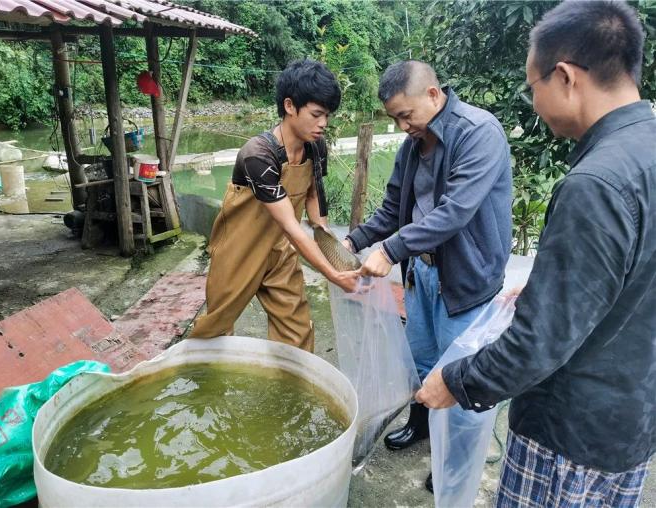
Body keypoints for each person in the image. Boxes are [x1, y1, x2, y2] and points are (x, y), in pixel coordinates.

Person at [416, 1, 655, 505]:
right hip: (630, 420)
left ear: (566, 76)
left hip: (568, 436)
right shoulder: (646, 147)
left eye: (534, 87)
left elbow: (540, 342)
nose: (535, 102)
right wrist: (553, 279)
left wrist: (457, 381)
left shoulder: (596, 183)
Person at [344, 60, 513, 491]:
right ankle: (421, 426)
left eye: (406, 114)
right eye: (394, 118)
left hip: (467, 283)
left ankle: (454, 467)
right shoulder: (412, 146)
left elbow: (454, 211)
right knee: (421, 365)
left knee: (459, 382)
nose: (402, 126)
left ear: (434, 95)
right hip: (422, 275)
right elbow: (392, 207)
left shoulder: (478, 133)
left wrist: (391, 250)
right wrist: (356, 240)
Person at [189, 59, 359, 352]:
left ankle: (291, 389)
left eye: (327, 116)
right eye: (317, 114)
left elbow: (313, 198)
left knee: (296, 331)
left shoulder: (315, 147)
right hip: (239, 249)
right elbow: (291, 225)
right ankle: (198, 383)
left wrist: (331, 246)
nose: (323, 124)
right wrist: (331, 274)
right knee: (214, 330)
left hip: (280, 250)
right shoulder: (258, 153)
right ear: (290, 106)